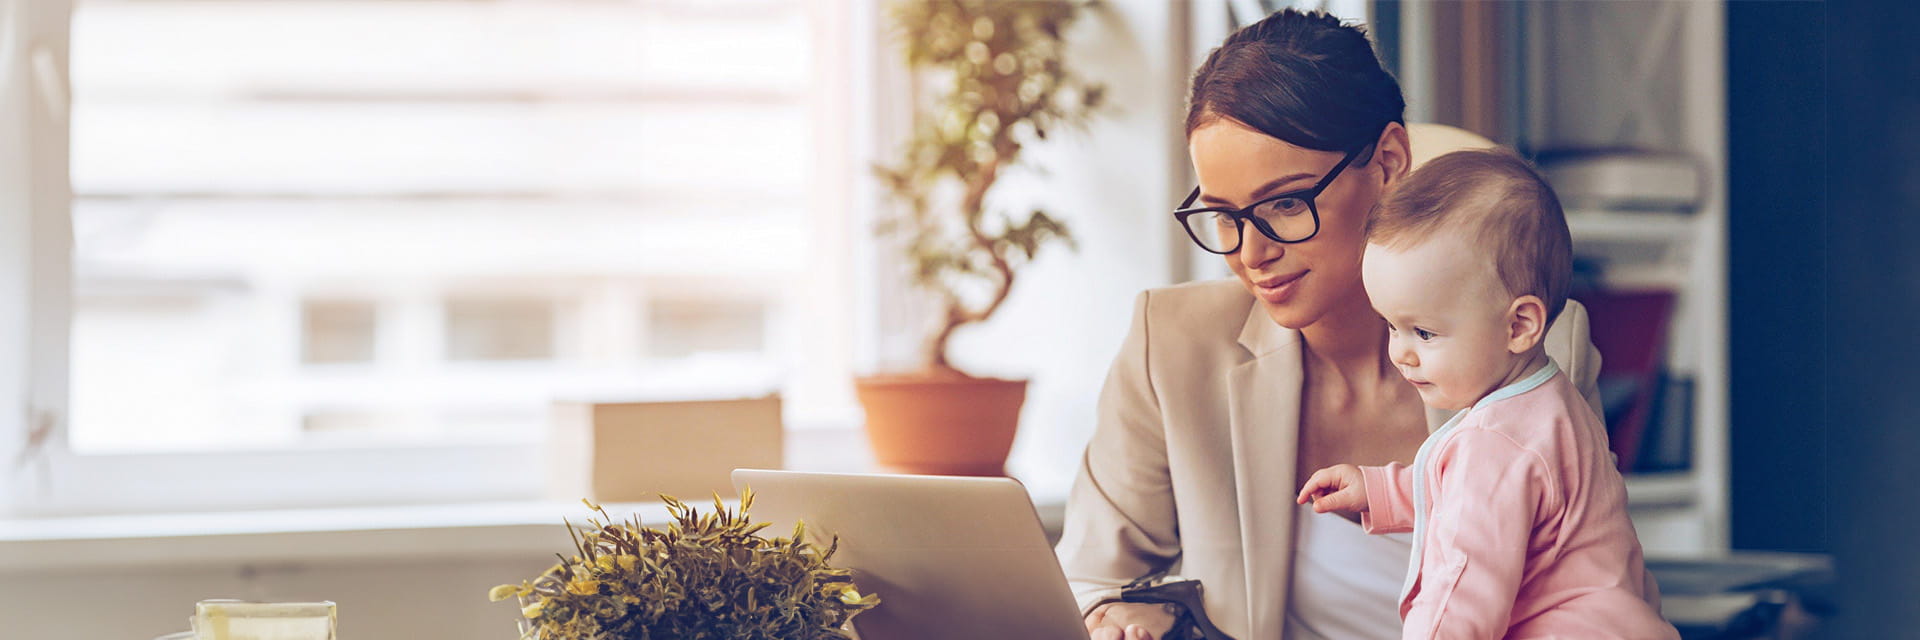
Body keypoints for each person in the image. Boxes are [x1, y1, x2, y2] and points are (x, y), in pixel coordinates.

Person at [1057, 9, 1607, 640]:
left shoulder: (1532, 351)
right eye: (1224, 215)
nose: (1250, 253)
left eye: (1286, 203)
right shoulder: (1172, 346)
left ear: (1389, 161)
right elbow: (1087, 579)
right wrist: (1121, 614)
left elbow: (1583, 592)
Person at [1295, 149, 1676, 639]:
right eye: (1391, 326)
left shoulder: (1493, 444)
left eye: (1424, 333)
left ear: (1519, 325)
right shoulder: (1549, 403)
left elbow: (1464, 590)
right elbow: (1472, 493)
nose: (1401, 354)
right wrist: (1380, 490)